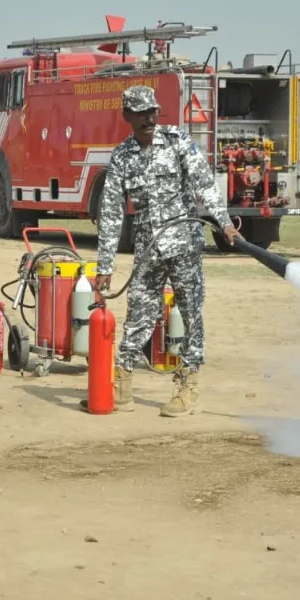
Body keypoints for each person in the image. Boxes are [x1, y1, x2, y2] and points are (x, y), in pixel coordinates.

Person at [87, 85, 241, 417]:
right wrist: (105, 265)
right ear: (127, 116)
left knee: (190, 314)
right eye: (141, 113)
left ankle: (188, 387)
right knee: (138, 314)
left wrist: (225, 222)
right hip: (148, 249)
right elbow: (111, 213)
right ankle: (122, 386)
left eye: (152, 112)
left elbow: (204, 184)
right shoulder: (123, 156)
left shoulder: (177, 141)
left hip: (184, 245)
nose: (149, 119)